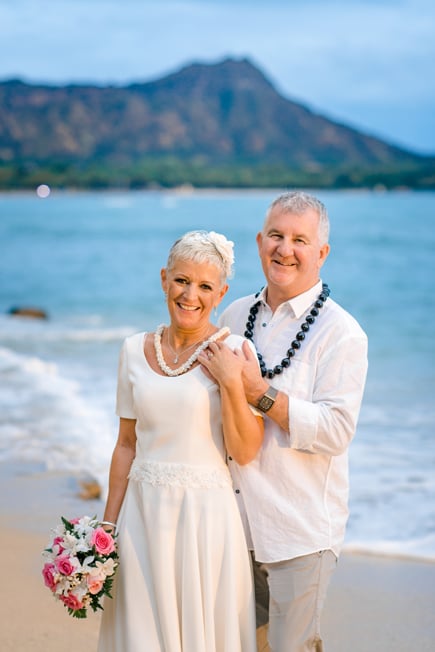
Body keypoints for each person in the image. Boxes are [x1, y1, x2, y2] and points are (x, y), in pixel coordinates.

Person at [98, 230, 263, 652]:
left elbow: (245, 450)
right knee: (140, 635)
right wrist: (106, 529)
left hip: (205, 521)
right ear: (163, 280)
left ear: (221, 293)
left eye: (205, 286)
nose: (191, 295)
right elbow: (126, 445)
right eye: (181, 281)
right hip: (141, 515)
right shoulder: (133, 350)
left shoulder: (238, 351)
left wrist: (230, 382)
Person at [218, 191, 368, 652]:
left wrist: (260, 393)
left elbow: (336, 430)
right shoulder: (234, 315)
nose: (286, 249)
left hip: (298, 533)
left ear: (321, 253)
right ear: (260, 241)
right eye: (277, 236)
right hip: (231, 526)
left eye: (300, 239)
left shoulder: (342, 333)